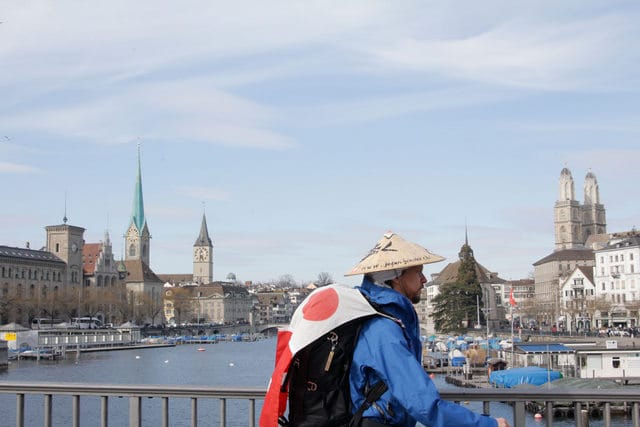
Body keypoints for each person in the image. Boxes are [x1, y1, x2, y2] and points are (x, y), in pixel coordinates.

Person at [345, 231, 510, 427]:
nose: (423, 279)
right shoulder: (384, 330)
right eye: (418, 271)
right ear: (396, 276)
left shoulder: (384, 320)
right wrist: (488, 424)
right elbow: (422, 403)